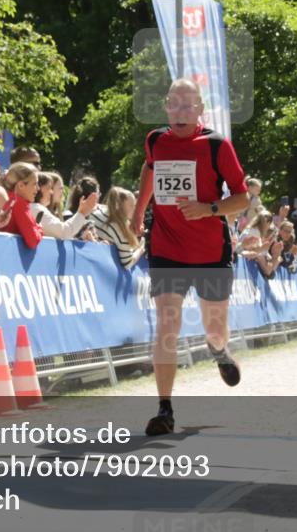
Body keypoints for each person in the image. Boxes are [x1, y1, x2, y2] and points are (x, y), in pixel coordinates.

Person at [131, 78, 250, 436]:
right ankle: (164, 409)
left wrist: (209, 208)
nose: (181, 112)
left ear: (200, 110)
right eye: (175, 104)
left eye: (189, 105)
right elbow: (150, 167)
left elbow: (242, 198)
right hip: (167, 248)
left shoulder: (216, 145)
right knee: (168, 324)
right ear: (166, 107)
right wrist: (140, 209)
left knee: (214, 329)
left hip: (211, 251)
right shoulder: (155, 140)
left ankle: (219, 351)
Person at [89, 186, 145, 269]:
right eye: (131, 205)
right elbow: (127, 263)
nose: (135, 209)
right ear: (120, 206)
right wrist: (140, 249)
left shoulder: (97, 210)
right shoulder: (120, 228)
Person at [30, 171, 97, 239]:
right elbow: (63, 232)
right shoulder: (36, 209)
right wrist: (82, 213)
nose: (51, 192)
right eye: (49, 188)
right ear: (39, 189)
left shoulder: (35, 208)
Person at [0, 161, 43, 249]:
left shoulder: (10, 198)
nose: (38, 188)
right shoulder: (19, 203)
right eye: (35, 184)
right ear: (21, 185)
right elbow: (33, 241)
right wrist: (39, 227)